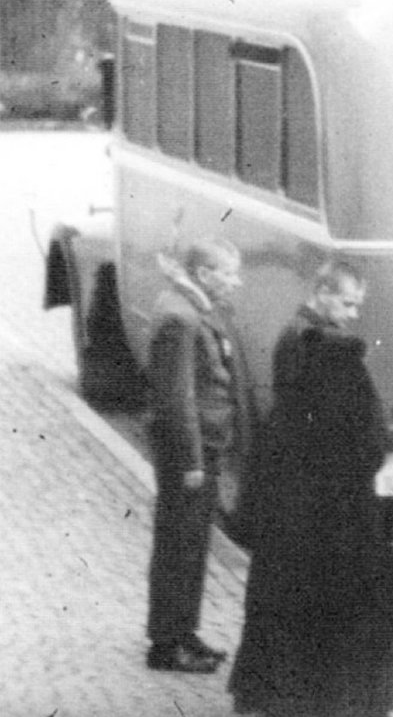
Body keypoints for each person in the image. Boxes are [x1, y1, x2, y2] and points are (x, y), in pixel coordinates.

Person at [228, 262, 393, 716]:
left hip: (293, 499)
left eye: (357, 305)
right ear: (321, 292)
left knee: (286, 599)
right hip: (335, 506)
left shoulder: (294, 337)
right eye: (347, 303)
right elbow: (365, 440)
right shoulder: (333, 353)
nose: (352, 315)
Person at [145, 237, 253, 673]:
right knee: (181, 548)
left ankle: (182, 634)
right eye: (229, 274)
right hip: (191, 455)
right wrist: (192, 461)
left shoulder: (191, 309)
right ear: (205, 274)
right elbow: (178, 399)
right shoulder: (182, 318)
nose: (236, 282)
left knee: (189, 546)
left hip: (202, 449)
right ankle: (168, 645)